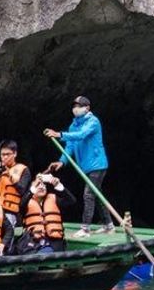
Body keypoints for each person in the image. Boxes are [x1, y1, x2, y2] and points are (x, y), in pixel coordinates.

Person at [45, 96, 112, 236]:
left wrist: (59, 134)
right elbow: (70, 146)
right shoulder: (73, 125)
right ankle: (108, 225)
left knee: (88, 194)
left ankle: (85, 228)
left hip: (97, 164)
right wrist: (62, 161)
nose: (76, 108)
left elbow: (81, 135)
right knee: (97, 194)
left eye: (79, 106)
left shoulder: (93, 121)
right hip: (86, 166)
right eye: (74, 106)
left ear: (87, 108)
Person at [18, 174, 75, 253]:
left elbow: (71, 201)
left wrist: (58, 185)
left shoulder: (53, 199)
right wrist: (33, 187)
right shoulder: (26, 202)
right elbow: (21, 205)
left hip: (54, 242)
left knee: (47, 252)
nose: (41, 187)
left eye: (44, 185)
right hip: (34, 242)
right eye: (38, 185)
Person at [0, 140, 30, 229]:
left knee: (7, 238)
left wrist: (10, 176)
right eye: (2, 154)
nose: (4, 157)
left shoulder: (23, 169)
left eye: (7, 154)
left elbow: (22, 190)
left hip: (10, 211)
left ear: (15, 154)